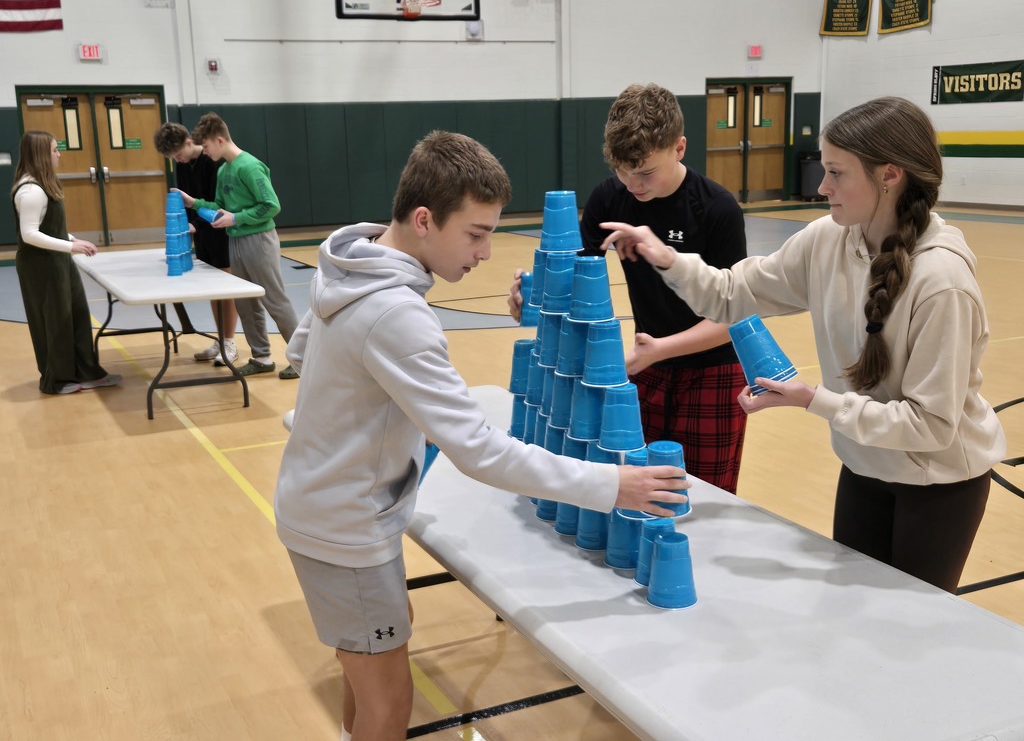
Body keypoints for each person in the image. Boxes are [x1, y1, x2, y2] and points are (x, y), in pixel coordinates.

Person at [275, 131, 687, 741]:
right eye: (475, 233)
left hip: (321, 505)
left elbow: (303, 352)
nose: (487, 252)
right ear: (423, 220)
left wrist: (382, 425)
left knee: (367, 665)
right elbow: (480, 450)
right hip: (345, 529)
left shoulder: (347, 261)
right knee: (389, 703)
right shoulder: (396, 312)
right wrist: (612, 485)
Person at [600, 96, 1006, 593]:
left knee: (905, 628)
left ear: (889, 175)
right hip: (864, 464)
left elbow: (932, 425)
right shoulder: (826, 241)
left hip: (940, 484)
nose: (821, 186)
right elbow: (732, 294)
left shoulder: (941, 282)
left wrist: (813, 399)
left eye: (836, 172)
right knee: (847, 612)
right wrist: (665, 257)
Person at [508, 83, 749, 493]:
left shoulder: (716, 208)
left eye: (645, 172)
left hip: (713, 371)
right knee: (641, 492)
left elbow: (735, 317)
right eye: (622, 170)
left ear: (679, 147)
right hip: (644, 364)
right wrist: (532, 298)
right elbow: (571, 279)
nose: (632, 183)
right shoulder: (609, 198)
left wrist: (659, 350)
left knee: (707, 496)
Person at [172, 112, 299, 379]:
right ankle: (262, 356)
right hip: (236, 240)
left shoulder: (249, 166)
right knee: (245, 301)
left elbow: (271, 206)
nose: (204, 152)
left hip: (259, 240)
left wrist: (236, 218)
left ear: (219, 140)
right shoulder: (225, 170)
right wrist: (193, 202)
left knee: (274, 300)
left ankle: (303, 358)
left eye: (205, 147)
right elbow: (220, 206)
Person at [12, 131, 121, 396]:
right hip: (40, 266)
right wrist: (70, 246)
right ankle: (56, 379)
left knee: (77, 315)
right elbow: (30, 235)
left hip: (58, 261)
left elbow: (52, 228)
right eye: (54, 149)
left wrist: (71, 239)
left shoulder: (45, 184)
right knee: (54, 322)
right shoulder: (30, 191)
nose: (59, 154)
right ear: (40, 154)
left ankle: (87, 371)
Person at [154, 122, 239, 365]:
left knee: (225, 290)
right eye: (172, 158)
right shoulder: (182, 165)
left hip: (220, 231)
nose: (177, 160)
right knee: (214, 291)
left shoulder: (212, 162)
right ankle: (221, 340)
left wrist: (197, 224)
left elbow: (214, 202)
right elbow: (188, 201)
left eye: (178, 154)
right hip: (202, 235)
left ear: (190, 142)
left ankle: (230, 343)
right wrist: (188, 225)